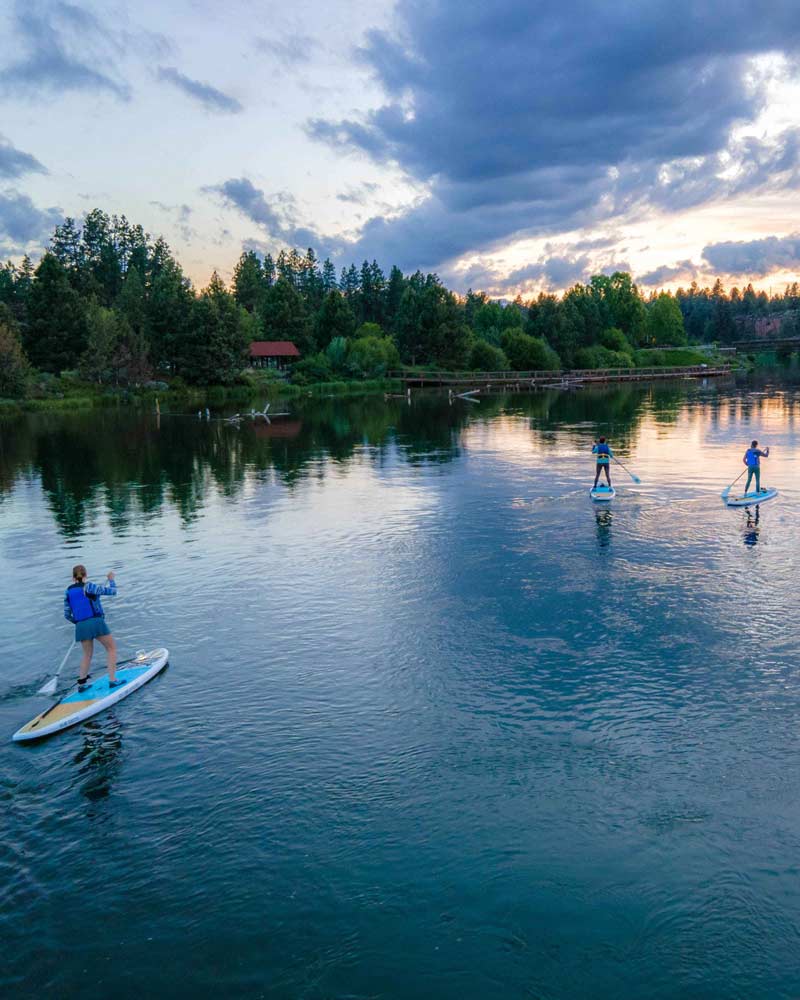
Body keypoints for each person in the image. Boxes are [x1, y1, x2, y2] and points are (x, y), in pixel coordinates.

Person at [64, 564, 122, 688]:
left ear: (73, 578)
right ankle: (112, 680)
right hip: (96, 622)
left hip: (80, 626)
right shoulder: (90, 586)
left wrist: (79, 623)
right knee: (111, 649)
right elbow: (113, 591)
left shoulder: (68, 591)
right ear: (85, 575)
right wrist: (111, 580)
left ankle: (82, 684)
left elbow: (67, 614)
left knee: (87, 655)